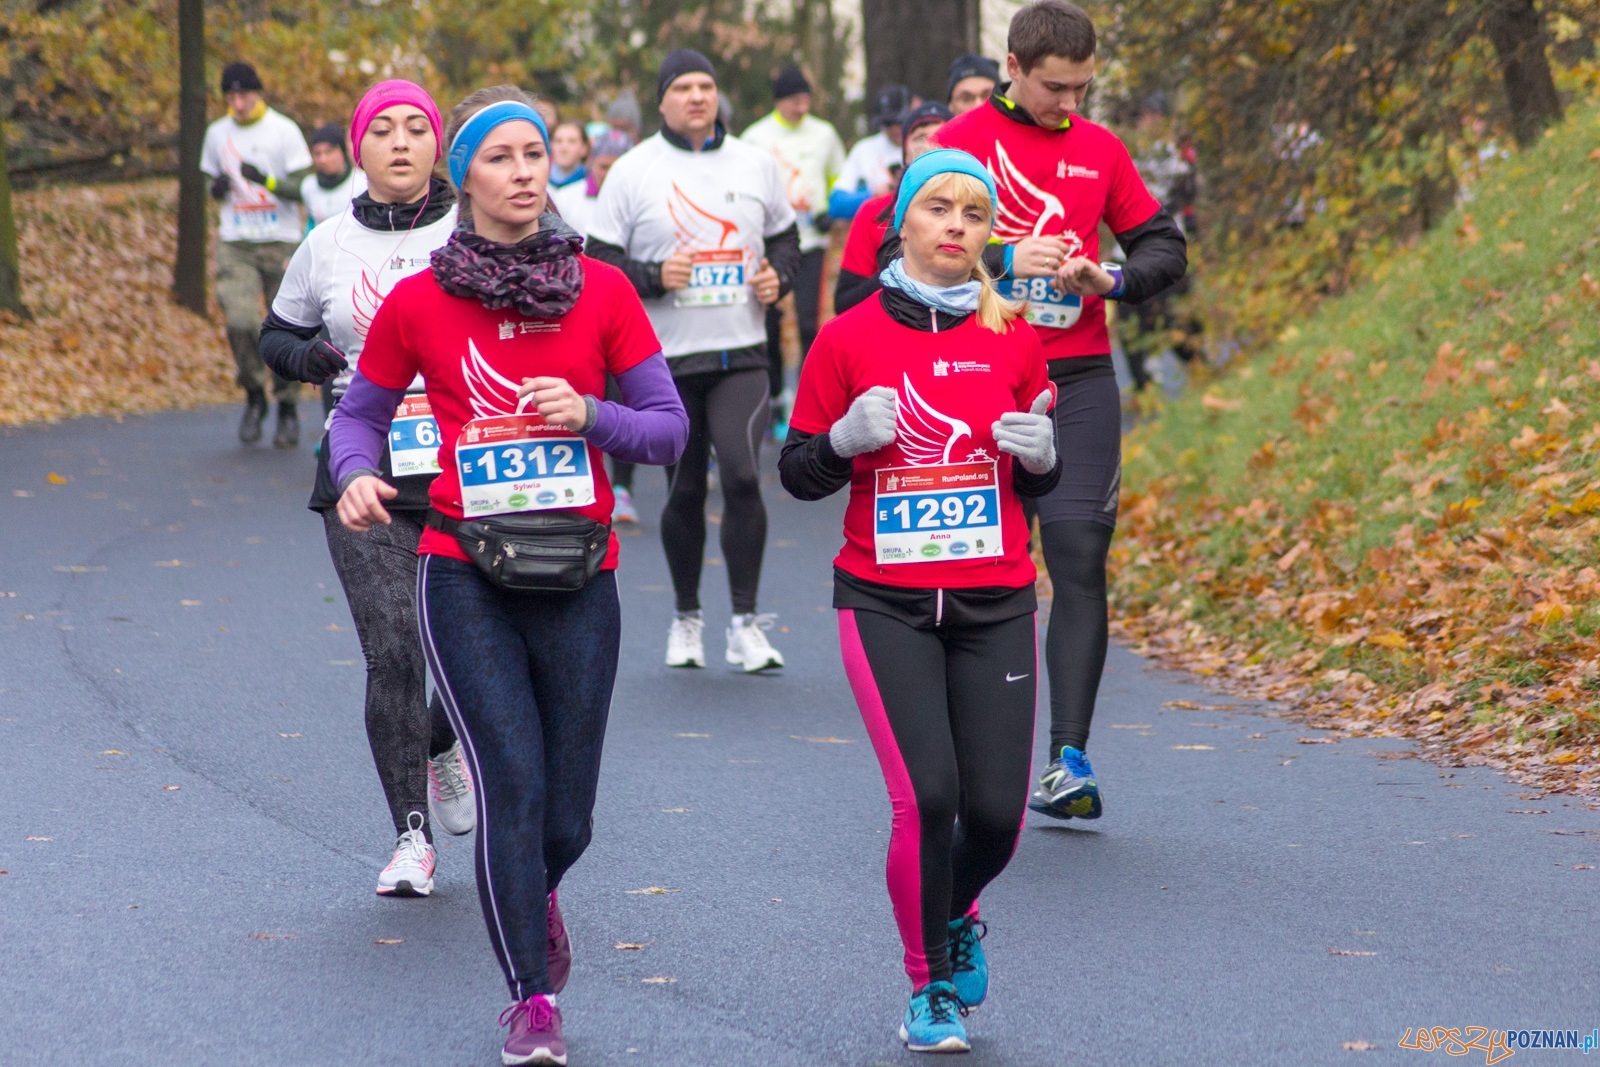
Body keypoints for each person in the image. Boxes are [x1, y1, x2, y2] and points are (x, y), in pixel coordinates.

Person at [328, 85, 688, 1066]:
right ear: (467, 176)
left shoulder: (603, 293)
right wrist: (356, 474)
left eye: (538, 154)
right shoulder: (419, 302)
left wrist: (590, 414)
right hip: (464, 571)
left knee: (565, 814)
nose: (527, 171)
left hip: (581, 575)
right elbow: (359, 416)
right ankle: (530, 996)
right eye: (503, 156)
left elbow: (667, 428)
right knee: (513, 786)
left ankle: (532, 884)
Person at [780, 149, 1060, 1053]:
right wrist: (841, 440)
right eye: (938, 206)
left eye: (975, 213)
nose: (955, 225)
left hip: (996, 598)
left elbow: (1034, 489)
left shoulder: (1013, 333)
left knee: (998, 818)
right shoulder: (848, 335)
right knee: (927, 796)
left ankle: (956, 906)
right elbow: (797, 473)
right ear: (903, 220)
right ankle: (927, 984)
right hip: (884, 598)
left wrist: (1043, 461)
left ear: (989, 234)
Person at [934, 0, 1188, 821]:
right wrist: (1003, 255)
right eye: (1054, 88)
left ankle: (1067, 759)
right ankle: (967, 750)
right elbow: (889, 253)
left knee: (1079, 558)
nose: (1068, 104)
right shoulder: (962, 145)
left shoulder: (1101, 149)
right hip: (978, 375)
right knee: (984, 566)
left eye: (1082, 88)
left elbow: (1163, 246)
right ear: (1012, 67)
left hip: (1077, 374)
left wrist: (1109, 279)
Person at [260, 79, 475, 898]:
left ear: (436, 146)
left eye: (414, 127)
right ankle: (409, 837)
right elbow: (278, 333)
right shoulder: (326, 243)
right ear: (359, 148)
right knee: (393, 648)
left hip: (468, 468)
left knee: (460, 648)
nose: (398, 141)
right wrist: (312, 359)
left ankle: (445, 740)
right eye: (380, 129)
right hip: (363, 473)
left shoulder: (473, 233)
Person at [586, 49, 802, 672]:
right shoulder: (633, 170)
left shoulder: (755, 164)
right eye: (683, 87)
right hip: (664, 362)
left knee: (739, 474)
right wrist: (654, 275)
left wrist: (779, 278)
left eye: (706, 86)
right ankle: (687, 618)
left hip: (741, 353)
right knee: (683, 488)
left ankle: (744, 623)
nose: (697, 97)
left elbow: (786, 240)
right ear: (662, 100)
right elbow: (600, 263)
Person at [201, 61, 313, 448]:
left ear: (258, 92)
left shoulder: (284, 131)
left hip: (280, 240)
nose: (237, 102)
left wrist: (263, 180)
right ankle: (254, 393)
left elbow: (304, 189)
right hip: (237, 241)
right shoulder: (217, 134)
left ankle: (287, 405)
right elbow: (210, 182)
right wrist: (215, 188)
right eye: (230, 96)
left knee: (283, 328)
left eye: (244, 94)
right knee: (241, 321)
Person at [740, 65, 847, 423]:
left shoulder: (824, 133)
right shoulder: (755, 137)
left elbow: (839, 179)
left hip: (811, 239)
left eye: (806, 100)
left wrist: (829, 211)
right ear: (779, 101)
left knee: (806, 323)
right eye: (795, 101)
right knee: (769, 322)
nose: (802, 108)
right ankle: (772, 400)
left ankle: (805, 403)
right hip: (769, 242)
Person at [546, 128, 643, 523]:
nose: (610, 173)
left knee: (621, 398)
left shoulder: (639, 200)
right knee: (583, 396)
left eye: (618, 165)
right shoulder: (567, 200)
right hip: (573, 315)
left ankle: (621, 488)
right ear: (591, 164)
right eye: (604, 166)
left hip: (624, 312)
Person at [834, 101, 951, 314]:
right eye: (921, 138)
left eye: (942, 136)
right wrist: (899, 271)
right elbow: (844, 304)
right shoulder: (874, 212)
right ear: (904, 152)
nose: (931, 146)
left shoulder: (979, 211)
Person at [828, 85, 915, 223]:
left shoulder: (924, 145)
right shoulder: (864, 149)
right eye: (887, 123)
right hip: (877, 232)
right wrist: (872, 195)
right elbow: (836, 205)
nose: (894, 128)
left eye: (899, 121)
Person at [301, 124, 367, 228]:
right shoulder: (308, 186)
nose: (323, 159)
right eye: (317, 153)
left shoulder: (363, 183)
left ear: (342, 152)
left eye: (329, 152)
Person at [547, 120, 589, 194]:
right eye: (558, 141)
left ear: (584, 148)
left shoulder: (589, 186)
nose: (564, 148)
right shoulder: (542, 182)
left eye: (571, 141)